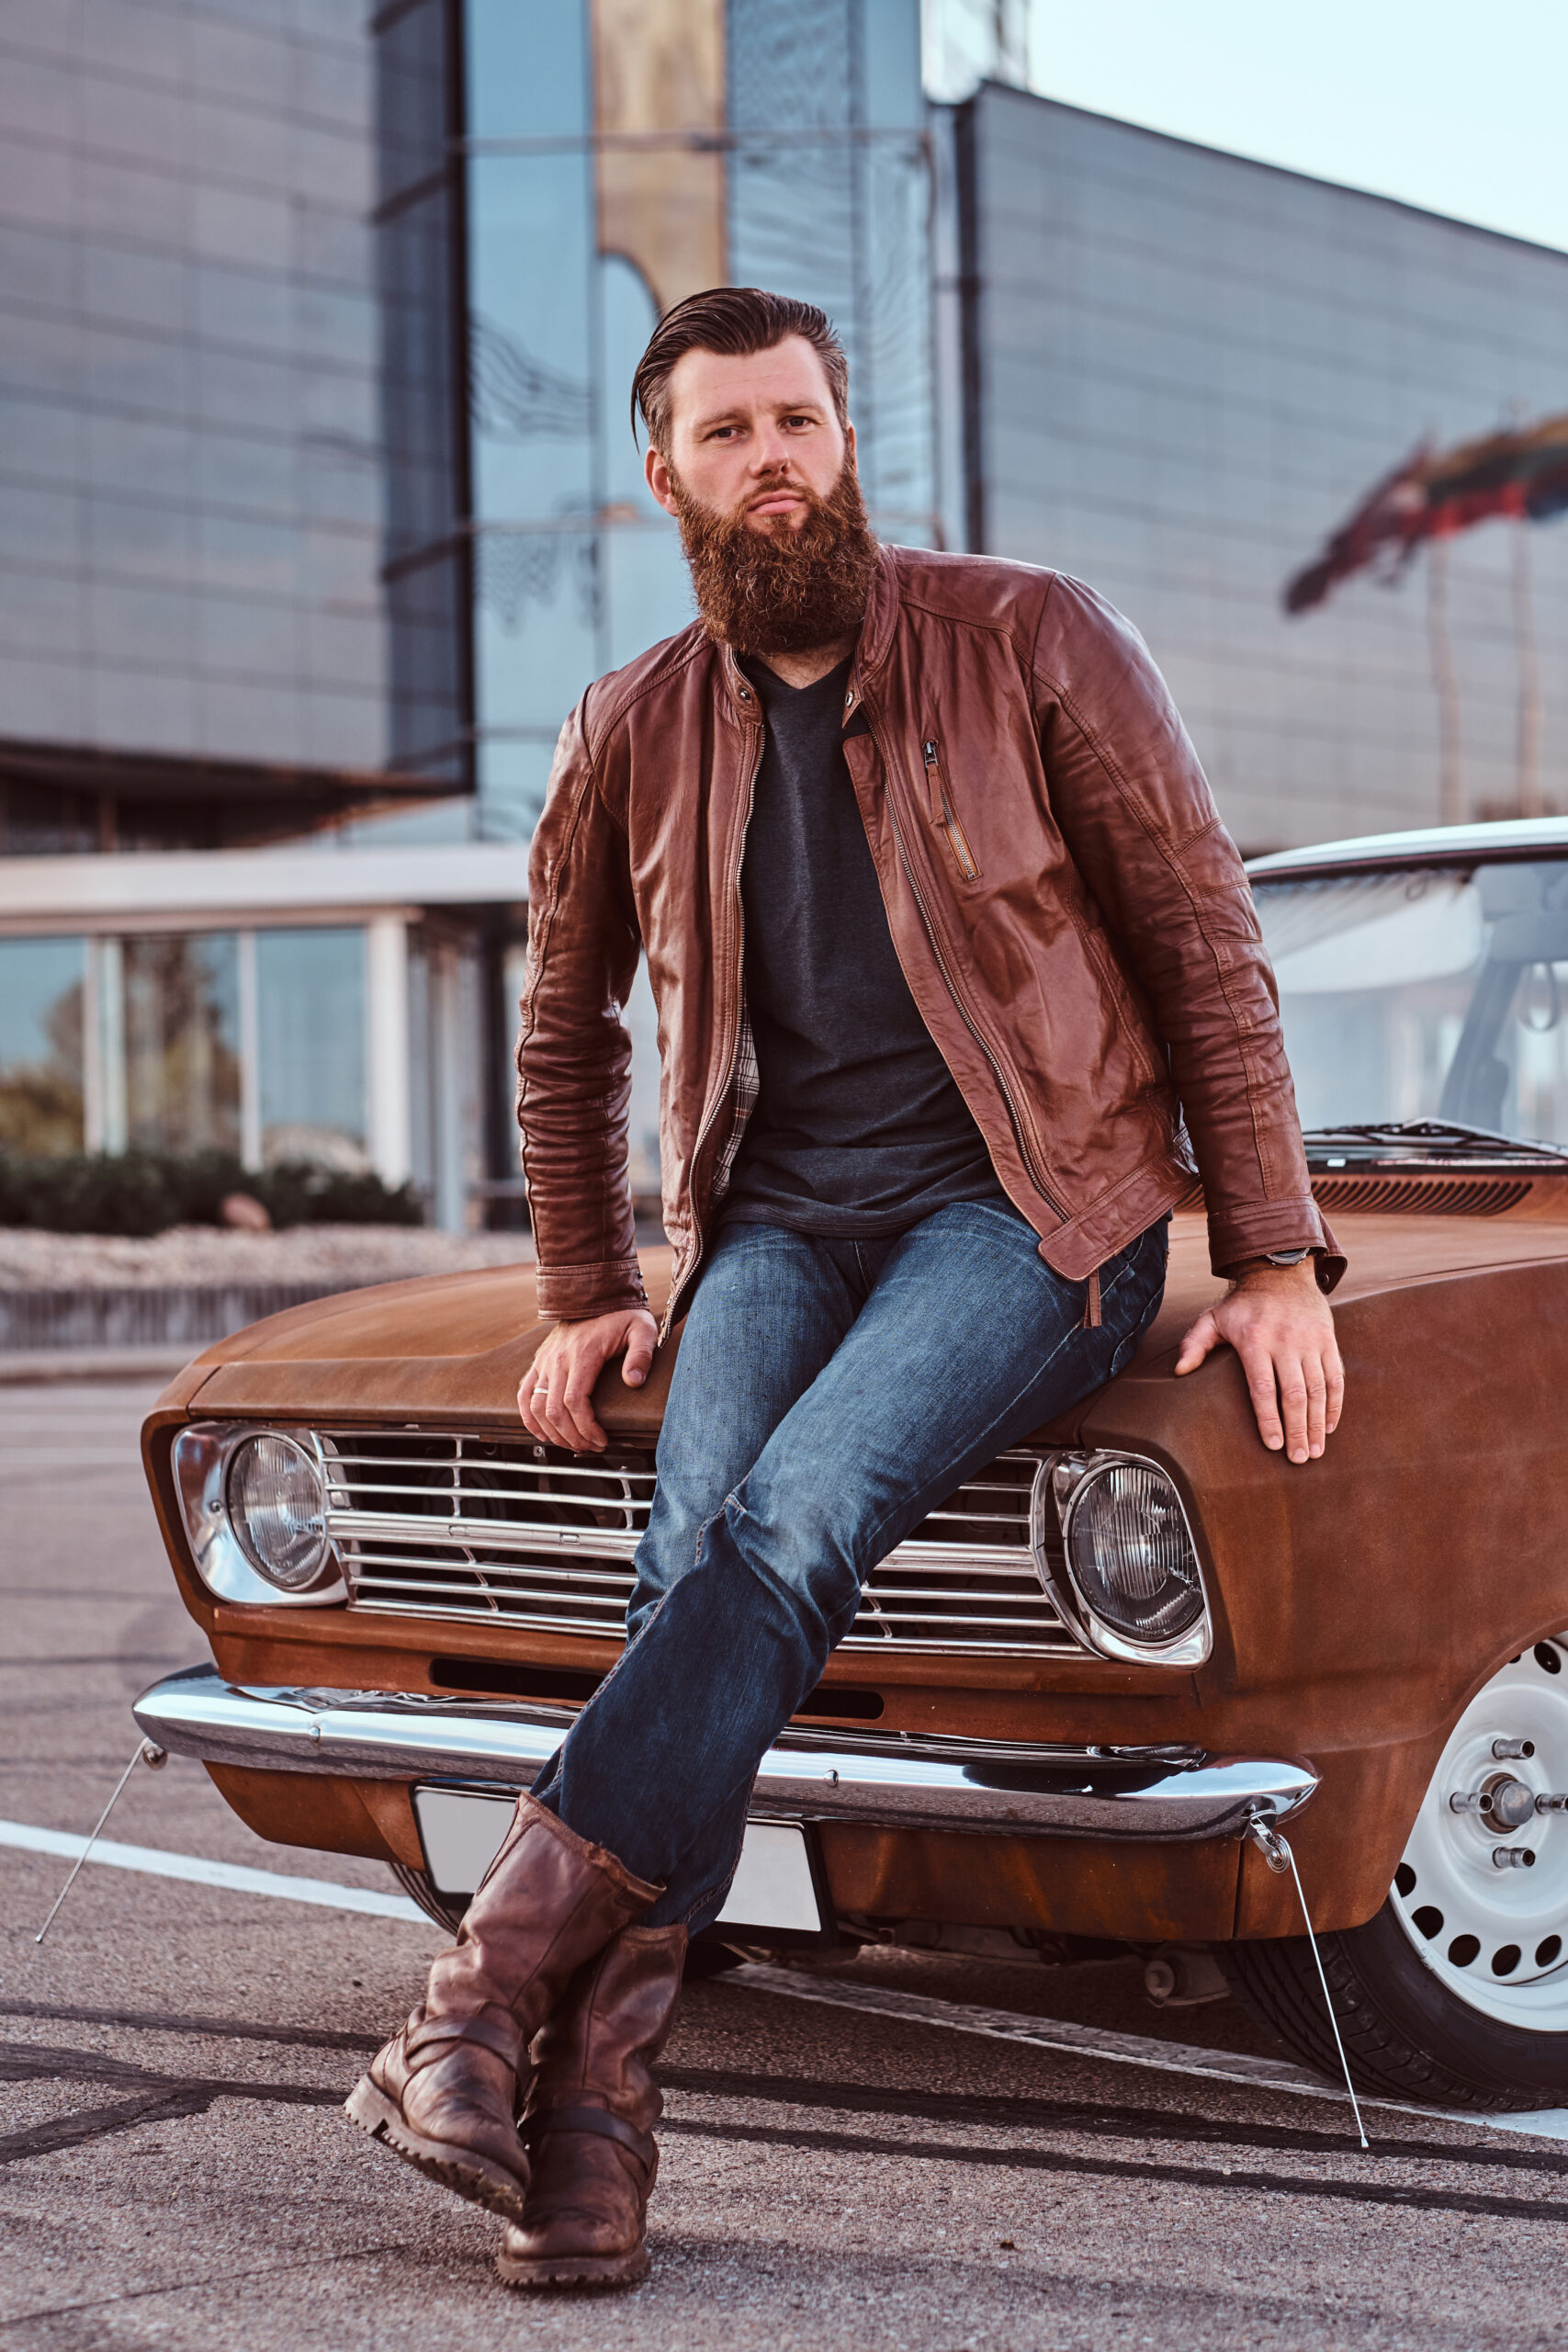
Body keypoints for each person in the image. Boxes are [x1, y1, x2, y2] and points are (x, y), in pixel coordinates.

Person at [349, 286, 1344, 2289]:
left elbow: (1200, 935)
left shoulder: (1029, 637)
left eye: (798, 418)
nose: (774, 459)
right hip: (775, 1228)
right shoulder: (628, 724)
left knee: (788, 1521)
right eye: (728, 432)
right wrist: (581, 1281)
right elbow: (562, 1031)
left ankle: (474, 2000)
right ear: (666, 479)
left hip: (1036, 1214)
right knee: (689, 1571)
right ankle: (588, 2146)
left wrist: (1268, 1251)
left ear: (845, 439)